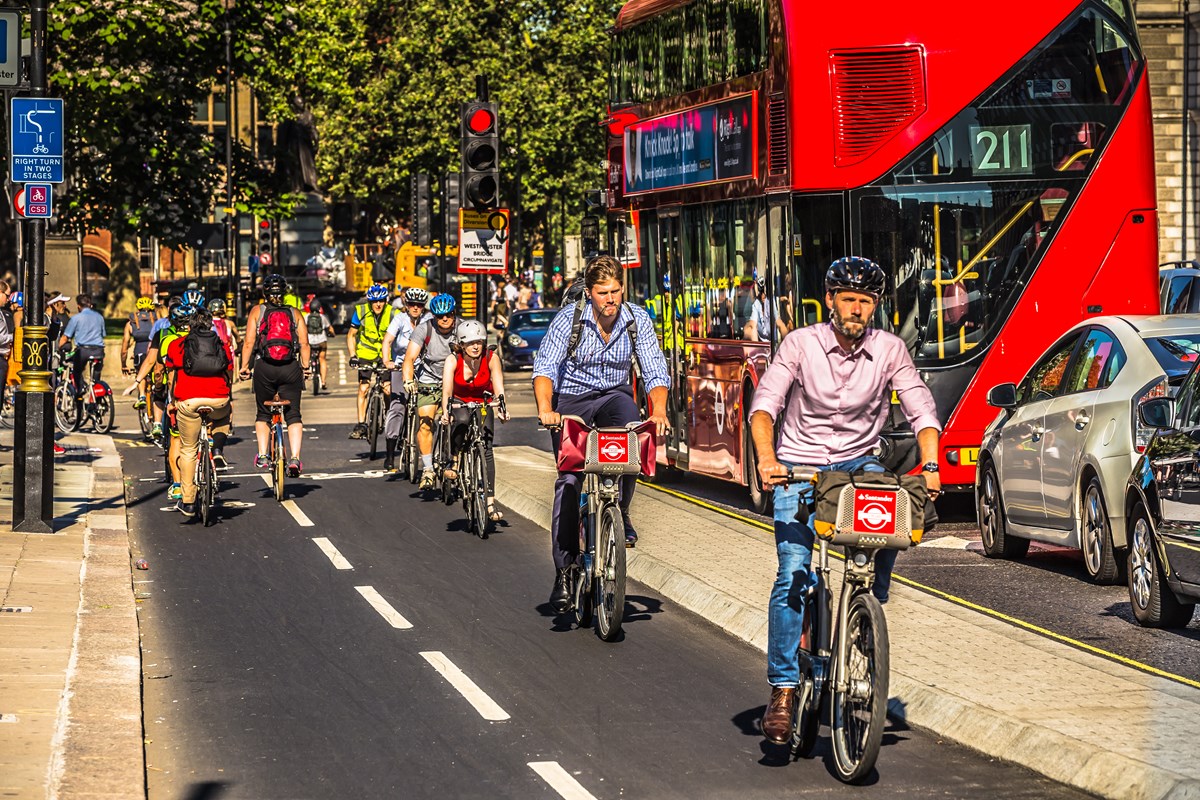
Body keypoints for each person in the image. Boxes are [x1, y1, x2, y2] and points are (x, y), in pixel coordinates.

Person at [748, 256, 942, 745]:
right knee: (793, 572)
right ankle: (785, 687)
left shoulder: (889, 349)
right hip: (797, 465)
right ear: (831, 300)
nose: (857, 309)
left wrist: (933, 465)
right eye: (849, 299)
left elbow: (921, 407)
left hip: (858, 461)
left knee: (894, 503)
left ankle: (867, 601)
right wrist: (768, 462)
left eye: (866, 302)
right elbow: (765, 406)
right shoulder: (800, 344)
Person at [532, 255, 671, 612]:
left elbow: (655, 369)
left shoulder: (636, 319)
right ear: (589, 293)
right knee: (568, 481)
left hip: (614, 396)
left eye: (616, 291)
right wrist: (547, 410)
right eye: (602, 292)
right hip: (572, 400)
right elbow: (545, 367)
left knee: (632, 438)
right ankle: (565, 570)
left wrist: (657, 412)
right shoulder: (570, 319)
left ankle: (619, 511)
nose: (611, 299)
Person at [164, 306, 234, 519]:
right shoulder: (220, 343)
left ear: (190, 325)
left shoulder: (178, 344)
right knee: (224, 415)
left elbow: (171, 373)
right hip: (218, 399)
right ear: (210, 324)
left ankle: (187, 501)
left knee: (188, 450)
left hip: (189, 401)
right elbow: (228, 369)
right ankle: (218, 449)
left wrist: (172, 401)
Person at [239, 274, 311, 477]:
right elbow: (304, 344)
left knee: (263, 413)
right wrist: (305, 367)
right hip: (290, 368)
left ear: (265, 293)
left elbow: (249, 343)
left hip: (265, 367)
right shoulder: (294, 313)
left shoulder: (257, 311)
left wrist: (244, 367)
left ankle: (263, 455)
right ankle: (295, 458)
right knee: (294, 415)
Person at [440, 319, 508, 520]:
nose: (475, 346)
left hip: (483, 401)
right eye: (470, 343)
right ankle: (455, 460)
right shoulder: (453, 360)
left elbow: (499, 387)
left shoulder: (491, 358)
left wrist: (502, 408)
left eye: (479, 341)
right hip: (460, 401)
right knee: (460, 421)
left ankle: (490, 503)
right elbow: (447, 391)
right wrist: (445, 411)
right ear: (461, 345)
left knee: (486, 447)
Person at [134, 301, 194, 499]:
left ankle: (178, 484)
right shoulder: (199, 335)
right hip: (205, 391)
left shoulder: (164, 336)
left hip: (178, 392)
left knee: (176, 439)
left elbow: (155, 365)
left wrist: (142, 381)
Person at [401, 293, 459, 489]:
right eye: (439, 316)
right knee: (425, 423)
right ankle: (427, 469)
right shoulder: (423, 329)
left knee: (460, 420)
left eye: (448, 315)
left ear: (454, 314)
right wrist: (408, 379)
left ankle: (457, 461)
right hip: (429, 379)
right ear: (433, 316)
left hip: (455, 379)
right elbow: (409, 358)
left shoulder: (463, 328)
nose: (444, 319)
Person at [381, 287, 429, 472]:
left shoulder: (428, 320)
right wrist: (387, 361)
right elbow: (388, 341)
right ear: (406, 305)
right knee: (397, 407)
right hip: (400, 367)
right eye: (412, 304)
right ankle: (390, 453)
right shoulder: (400, 319)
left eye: (419, 305)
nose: (415, 308)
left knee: (427, 407)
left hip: (423, 369)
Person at [347, 283, 395, 440]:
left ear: (386, 301)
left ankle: (389, 417)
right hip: (366, 354)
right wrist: (353, 355)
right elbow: (351, 335)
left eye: (381, 300)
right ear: (369, 302)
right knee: (364, 388)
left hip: (386, 355)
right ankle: (361, 424)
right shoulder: (360, 311)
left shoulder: (393, 312)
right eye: (375, 301)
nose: (378, 304)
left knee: (387, 389)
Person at [58, 294, 107, 415]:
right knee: (96, 374)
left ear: (79, 306)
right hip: (99, 350)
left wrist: (57, 348)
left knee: (77, 371)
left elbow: (66, 337)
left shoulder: (76, 318)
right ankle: (96, 392)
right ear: (90, 304)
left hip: (83, 350)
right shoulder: (99, 317)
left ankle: (80, 392)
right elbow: (103, 334)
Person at [121, 297, 158, 407]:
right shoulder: (157, 320)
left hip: (139, 353)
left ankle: (142, 396)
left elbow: (124, 347)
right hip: (155, 352)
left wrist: (123, 364)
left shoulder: (130, 323)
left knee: (140, 372)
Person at [305, 298, 335, 392]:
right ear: (319, 308)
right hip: (321, 341)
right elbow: (330, 329)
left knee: (307, 357)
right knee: (322, 359)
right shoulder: (322, 317)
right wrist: (332, 334)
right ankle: (323, 382)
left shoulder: (306, 317)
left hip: (309, 342)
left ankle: (307, 373)